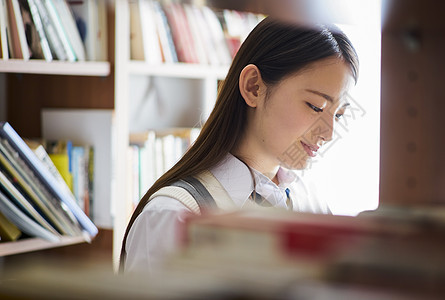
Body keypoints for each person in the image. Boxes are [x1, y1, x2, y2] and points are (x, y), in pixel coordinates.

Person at [120, 16, 359, 273]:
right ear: (253, 87)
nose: (329, 133)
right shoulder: (173, 216)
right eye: (316, 107)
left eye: (339, 115)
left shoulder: (309, 203)